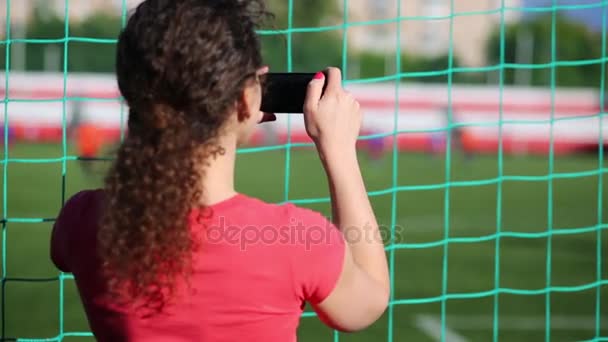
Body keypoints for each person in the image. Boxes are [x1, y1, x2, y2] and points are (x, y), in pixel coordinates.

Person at [49, 1, 389, 341]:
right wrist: (340, 151)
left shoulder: (82, 221)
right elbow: (369, 300)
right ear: (245, 98)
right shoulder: (295, 239)